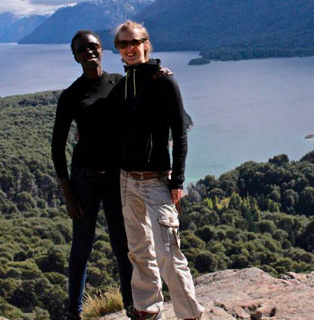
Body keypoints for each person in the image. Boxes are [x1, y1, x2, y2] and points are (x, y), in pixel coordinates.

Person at [111, 21, 204, 320]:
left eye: (134, 42)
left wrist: (177, 180)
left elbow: (180, 132)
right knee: (138, 251)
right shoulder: (123, 85)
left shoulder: (164, 80)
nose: (129, 48)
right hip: (127, 180)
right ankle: (149, 309)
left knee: (168, 253)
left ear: (146, 44)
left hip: (155, 181)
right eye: (123, 44)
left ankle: (189, 314)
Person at [51, 30, 133, 319]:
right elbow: (57, 147)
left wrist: (162, 72)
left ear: (102, 50)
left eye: (94, 46)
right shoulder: (71, 96)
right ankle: (74, 312)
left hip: (115, 178)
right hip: (84, 178)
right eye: (83, 49)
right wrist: (68, 193)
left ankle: (131, 305)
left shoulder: (119, 84)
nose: (90, 52)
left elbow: (149, 95)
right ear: (75, 56)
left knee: (122, 244)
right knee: (81, 246)